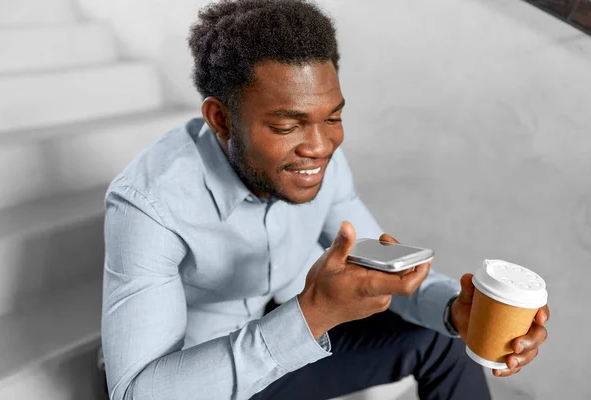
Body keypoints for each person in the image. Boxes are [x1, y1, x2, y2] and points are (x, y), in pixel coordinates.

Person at [101, 1, 550, 399]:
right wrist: (312, 314)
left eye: (332, 117)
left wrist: (456, 311)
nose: (319, 147)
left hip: (278, 336)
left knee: (441, 337)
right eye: (286, 126)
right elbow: (137, 391)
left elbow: (376, 256)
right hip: (198, 377)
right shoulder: (149, 203)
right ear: (221, 119)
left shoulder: (318, 162)